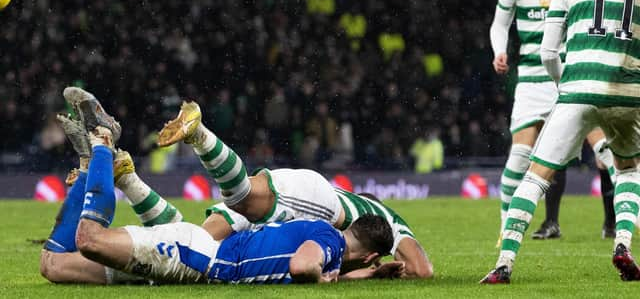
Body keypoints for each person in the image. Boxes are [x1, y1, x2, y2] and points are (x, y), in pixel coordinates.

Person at [40, 112, 403, 285]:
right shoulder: (328, 241)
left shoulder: (327, 238)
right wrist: (326, 280)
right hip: (194, 257)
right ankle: (104, 141)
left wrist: (369, 274)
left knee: (53, 267)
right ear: (368, 252)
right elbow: (304, 266)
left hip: (197, 256)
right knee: (89, 240)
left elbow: (318, 264)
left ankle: (92, 167)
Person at [481, 0, 640, 284]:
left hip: (576, 89)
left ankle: (504, 263)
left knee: (535, 176)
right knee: (629, 170)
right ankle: (623, 244)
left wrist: (563, 87)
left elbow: (550, 53)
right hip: (629, 96)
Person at [158, 100, 433, 279]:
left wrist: (373, 273)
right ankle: (200, 135)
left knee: (192, 248)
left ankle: (128, 190)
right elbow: (422, 271)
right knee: (243, 198)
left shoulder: (344, 239)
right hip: (315, 199)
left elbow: (338, 270)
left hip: (305, 200)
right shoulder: (387, 221)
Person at [489, 0, 616, 242]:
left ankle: (619, 225)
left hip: (572, 74)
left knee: (605, 150)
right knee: (519, 157)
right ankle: (506, 231)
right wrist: (499, 51)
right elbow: (500, 24)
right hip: (531, 80)